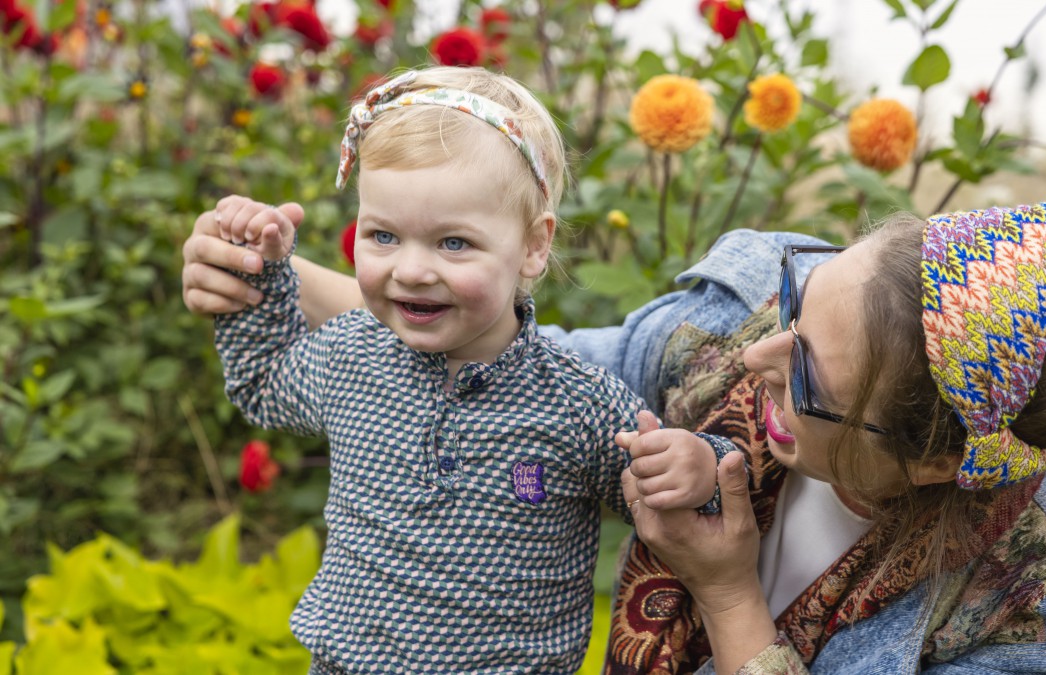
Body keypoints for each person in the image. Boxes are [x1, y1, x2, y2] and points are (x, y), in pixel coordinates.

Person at [184, 193, 1046, 668]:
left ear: (929, 460)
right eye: (799, 303)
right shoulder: (742, 312)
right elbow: (521, 365)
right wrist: (265, 279)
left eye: (802, 379)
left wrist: (725, 590)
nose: (754, 360)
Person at [204, 66, 735, 674]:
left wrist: (699, 467)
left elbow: (663, 496)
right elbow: (264, 384)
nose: (411, 270)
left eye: (453, 243)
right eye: (382, 235)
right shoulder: (349, 354)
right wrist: (261, 275)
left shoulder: (576, 402)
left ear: (533, 246)